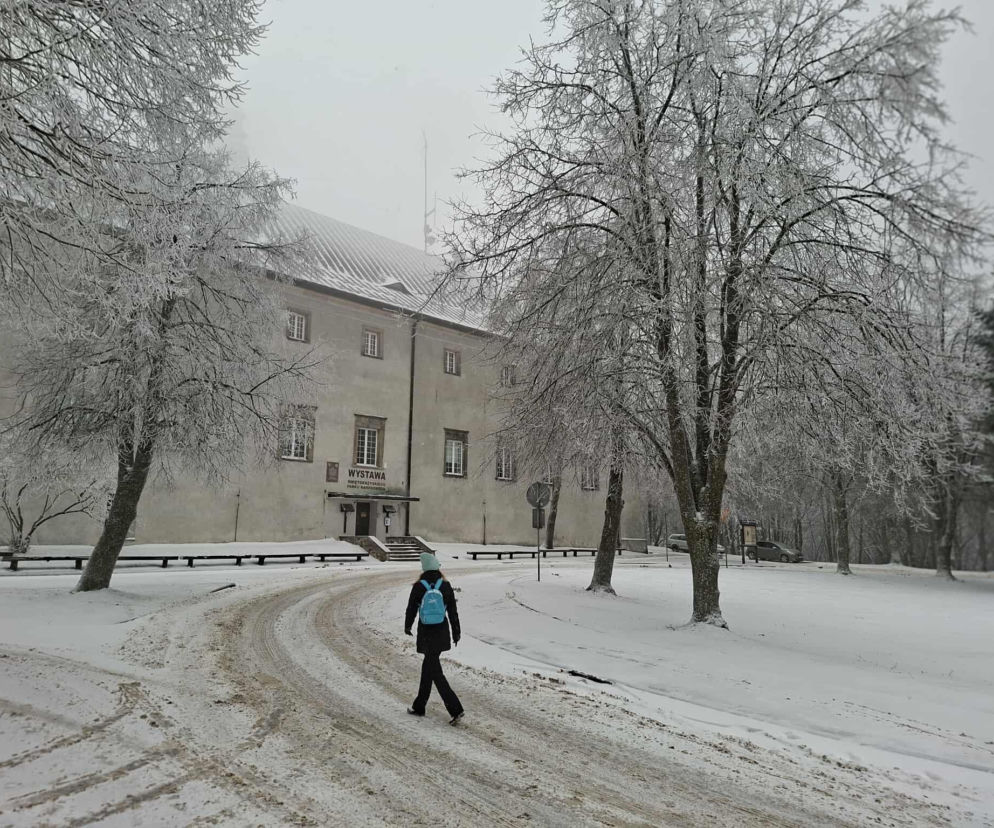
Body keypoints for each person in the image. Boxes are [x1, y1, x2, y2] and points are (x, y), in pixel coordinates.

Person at [404, 551, 464, 724]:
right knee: (429, 668)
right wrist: (456, 632)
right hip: (442, 632)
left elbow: (411, 608)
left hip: (426, 633)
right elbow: (453, 611)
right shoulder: (445, 585)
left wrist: (408, 626)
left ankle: (456, 709)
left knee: (435, 672)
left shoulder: (419, 586)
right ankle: (419, 706)